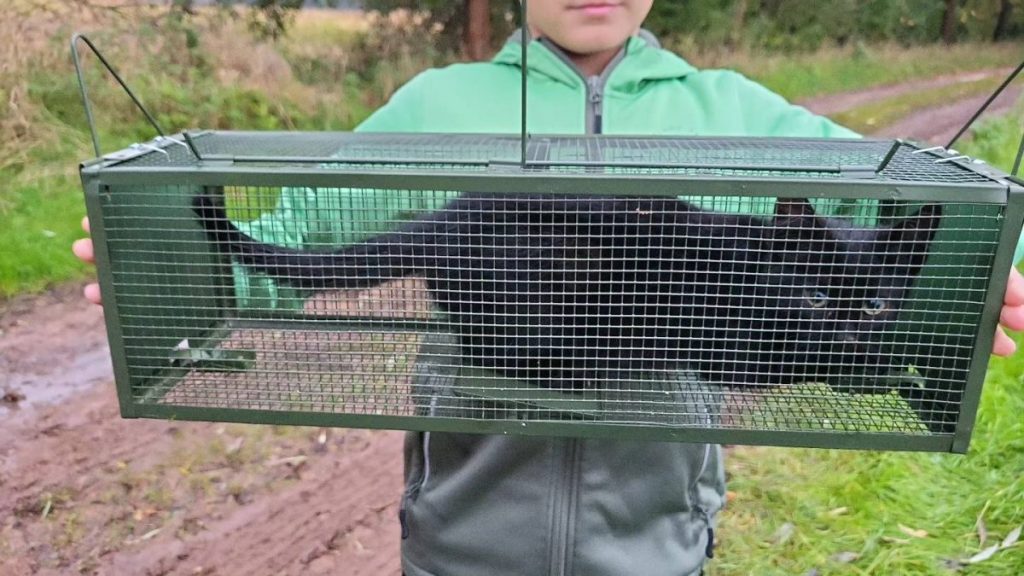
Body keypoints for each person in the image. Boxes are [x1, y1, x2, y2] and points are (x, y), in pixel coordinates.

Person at [72, 1, 1024, 574]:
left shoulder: (735, 109)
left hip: (652, 535)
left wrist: (980, 287)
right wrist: (169, 269)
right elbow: (301, 243)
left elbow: (894, 221)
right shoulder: (439, 105)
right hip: (467, 531)